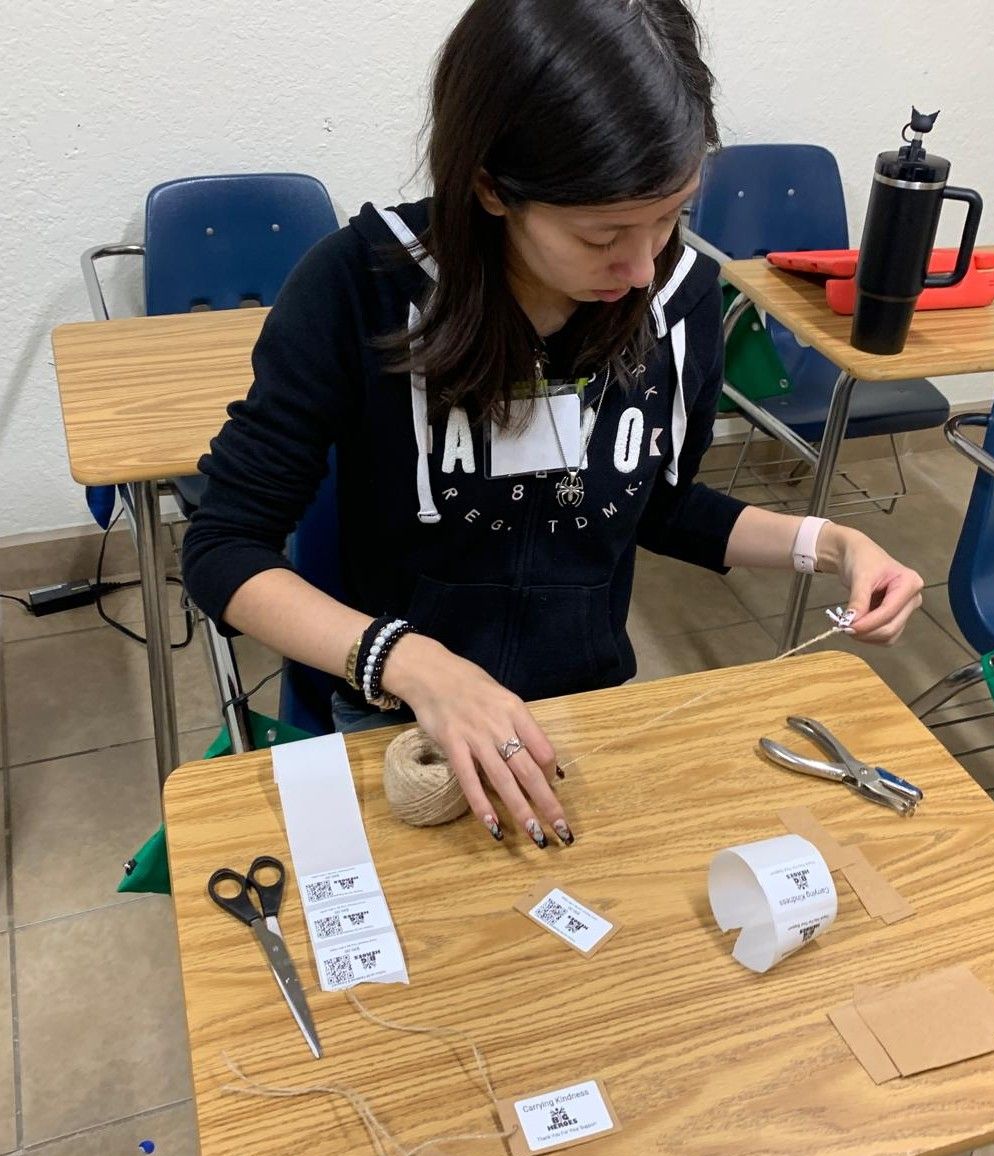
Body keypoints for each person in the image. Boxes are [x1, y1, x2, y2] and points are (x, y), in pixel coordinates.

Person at [183, 0, 923, 851]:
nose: (644, 265)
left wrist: (830, 547)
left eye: (671, 217)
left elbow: (658, 504)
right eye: (604, 233)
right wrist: (415, 665)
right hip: (408, 721)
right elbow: (222, 548)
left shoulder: (675, 298)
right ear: (493, 186)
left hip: (586, 713)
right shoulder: (360, 288)